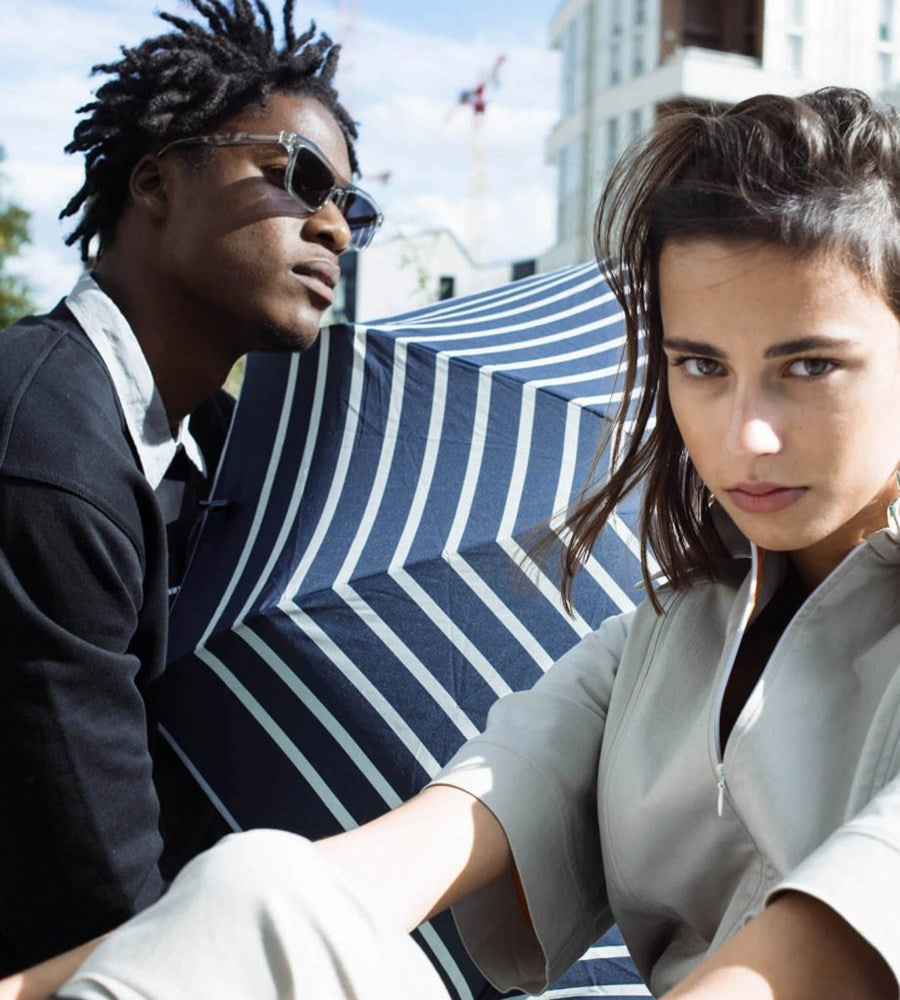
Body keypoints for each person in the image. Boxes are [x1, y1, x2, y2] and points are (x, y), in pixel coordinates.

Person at [5, 86, 900, 1000]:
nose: (746, 435)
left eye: (810, 365)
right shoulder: (667, 640)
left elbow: (809, 956)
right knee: (262, 880)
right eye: (701, 365)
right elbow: (362, 874)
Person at [0, 0, 382, 978]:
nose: (335, 228)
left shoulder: (215, 452)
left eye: (355, 209)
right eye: (300, 177)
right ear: (157, 182)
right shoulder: (47, 463)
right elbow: (103, 897)